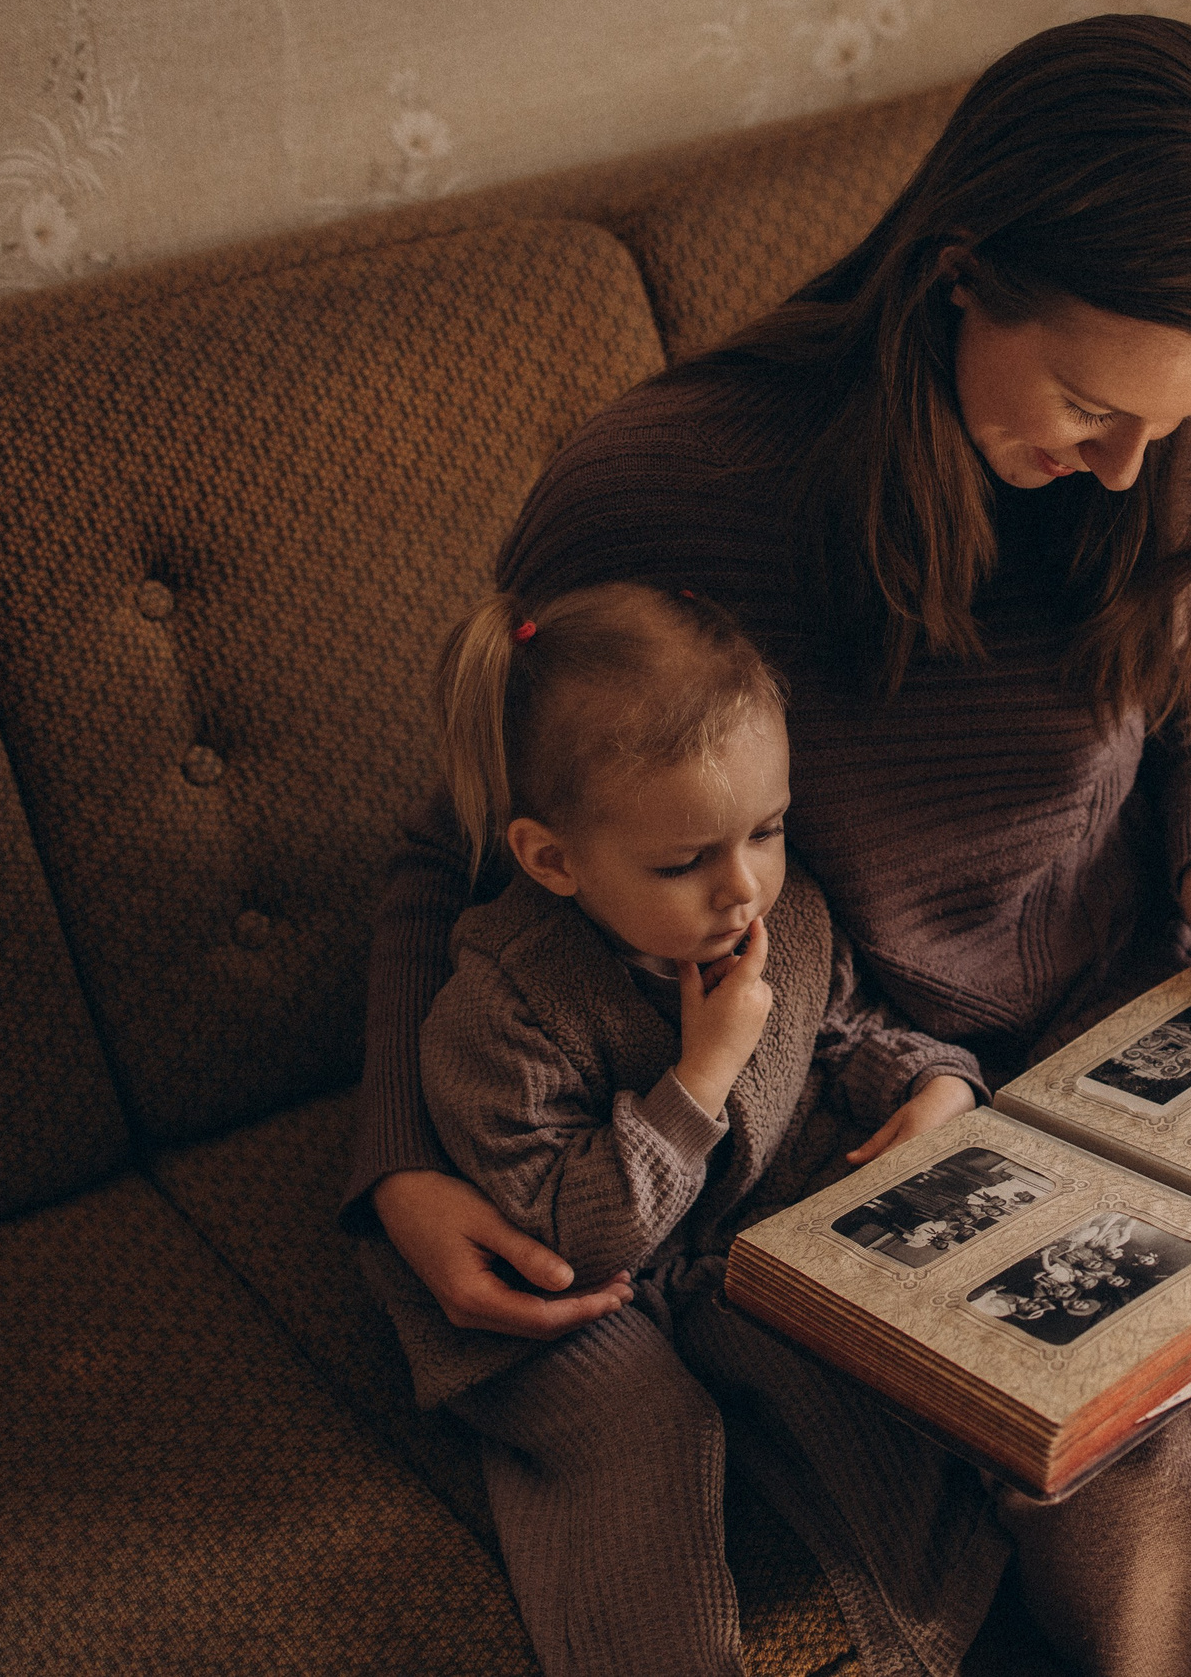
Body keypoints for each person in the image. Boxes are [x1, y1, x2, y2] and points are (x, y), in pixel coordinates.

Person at [347, 11, 1191, 1677]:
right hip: (881, 1104)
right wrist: (400, 1168)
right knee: (1129, 1452)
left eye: (1171, 423)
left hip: (1137, 1037)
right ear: (959, 280)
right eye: (1088, 405)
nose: (1128, 468)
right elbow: (447, 851)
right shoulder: (668, 492)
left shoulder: (1170, 426)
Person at [358, 580, 998, 1676]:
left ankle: (960, 1632)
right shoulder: (501, 1006)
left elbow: (846, 1033)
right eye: (682, 862)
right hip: (555, 1288)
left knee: (842, 1378)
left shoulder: (788, 919)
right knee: (648, 1427)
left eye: (767, 830)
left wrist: (936, 1086)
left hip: (718, 1247)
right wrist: (700, 1076)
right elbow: (570, 1239)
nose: (743, 887)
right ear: (553, 860)